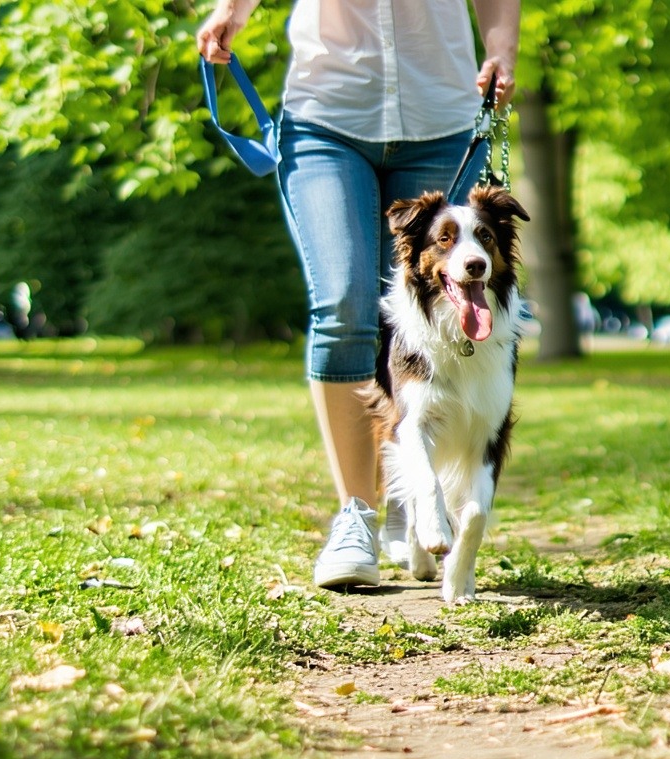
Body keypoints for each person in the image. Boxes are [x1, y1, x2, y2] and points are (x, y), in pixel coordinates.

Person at [196, 0, 521, 590]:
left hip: (441, 112)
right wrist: (232, 11)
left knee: (427, 307)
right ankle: (356, 515)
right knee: (344, 304)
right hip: (326, 111)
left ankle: (409, 493)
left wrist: (502, 47)